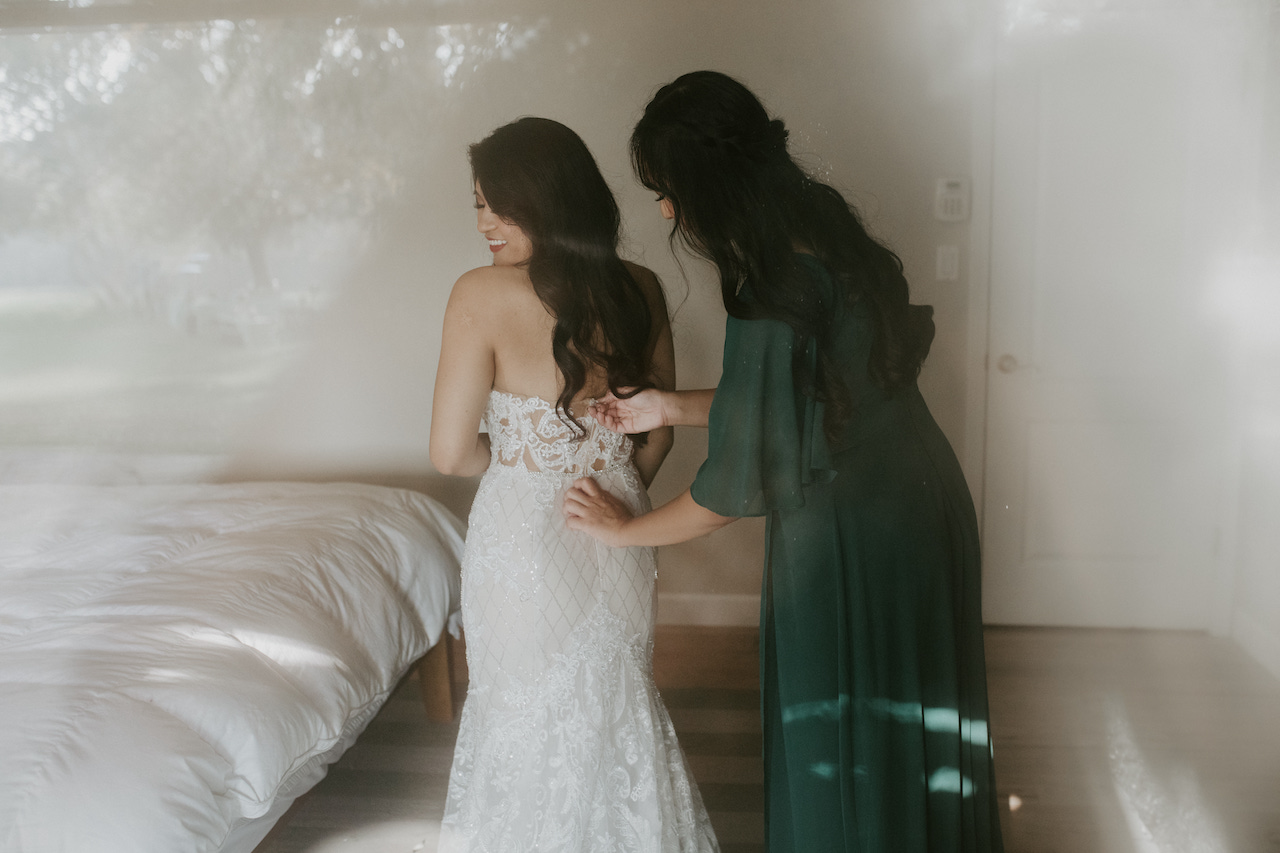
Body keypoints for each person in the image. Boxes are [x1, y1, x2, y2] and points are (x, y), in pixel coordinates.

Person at [564, 72, 1004, 852]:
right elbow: (805, 398)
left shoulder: (770, 287)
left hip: (851, 536)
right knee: (916, 721)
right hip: (922, 501)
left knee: (842, 734)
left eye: (668, 191)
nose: (665, 210)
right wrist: (666, 407)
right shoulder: (824, 228)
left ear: (708, 184)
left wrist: (620, 529)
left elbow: (731, 492)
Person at [428, 116, 719, 853]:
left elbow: (450, 451)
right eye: (477, 204)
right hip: (619, 528)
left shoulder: (480, 293)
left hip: (522, 538)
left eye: (499, 203)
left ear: (548, 200)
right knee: (614, 709)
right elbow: (658, 428)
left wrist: (527, 462)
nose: (485, 222)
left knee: (522, 718)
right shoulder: (642, 286)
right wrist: (618, 485)